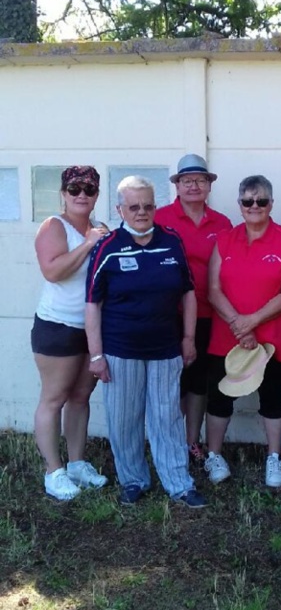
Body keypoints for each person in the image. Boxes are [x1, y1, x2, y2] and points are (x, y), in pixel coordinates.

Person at [85, 175, 206, 508]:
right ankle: (134, 480)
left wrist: (188, 338)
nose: (142, 212)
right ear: (120, 209)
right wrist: (96, 355)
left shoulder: (171, 241)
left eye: (148, 206)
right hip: (120, 349)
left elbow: (189, 293)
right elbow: (92, 304)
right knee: (125, 419)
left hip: (166, 348)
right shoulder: (107, 248)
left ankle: (179, 483)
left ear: (156, 207)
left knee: (167, 417)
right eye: (134, 206)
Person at [205, 174, 281, 488]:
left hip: (272, 338)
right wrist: (239, 324)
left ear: (271, 204)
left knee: (273, 398)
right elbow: (213, 289)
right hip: (228, 338)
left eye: (261, 200)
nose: (254, 206)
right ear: (240, 205)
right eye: (248, 201)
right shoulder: (225, 240)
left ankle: (274, 458)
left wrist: (252, 322)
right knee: (220, 397)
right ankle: (214, 455)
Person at [32, 165, 110, 501]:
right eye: (74, 189)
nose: (81, 195)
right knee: (54, 399)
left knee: (80, 398)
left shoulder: (100, 228)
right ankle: (54, 471)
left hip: (90, 329)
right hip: (57, 327)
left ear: (96, 196)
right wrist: (89, 244)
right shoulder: (54, 226)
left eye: (89, 190)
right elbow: (53, 271)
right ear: (63, 194)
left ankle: (77, 464)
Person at [154, 154, 231, 462]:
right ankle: (169, 442)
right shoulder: (160, 218)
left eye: (200, 180)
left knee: (199, 381)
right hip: (168, 315)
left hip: (209, 316)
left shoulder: (223, 223)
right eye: (187, 181)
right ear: (177, 186)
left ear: (209, 186)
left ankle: (190, 441)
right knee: (171, 383)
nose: (194, 186)